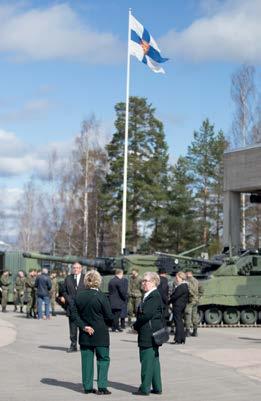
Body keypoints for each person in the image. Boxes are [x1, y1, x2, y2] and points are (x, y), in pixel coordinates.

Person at [71, 270, 114, 395]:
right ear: (98, 281)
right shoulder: (102, 297)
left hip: (85, 333)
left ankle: (88, 387)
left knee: (86, 360)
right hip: (101, 332)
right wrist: (108, 324)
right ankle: (102, 386)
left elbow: (74, 315)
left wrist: (84, 326)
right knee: (103, 359)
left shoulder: (78, 296)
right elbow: (109, 316)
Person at [133, 272, 163, 396]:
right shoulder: (149, 295)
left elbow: (147, 314)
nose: (143, 283)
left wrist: (135, 325)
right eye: (143, 281)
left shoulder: (153, 296)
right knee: (154, 360)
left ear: (154, 282)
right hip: (152, 332)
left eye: (146, 281)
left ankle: (145, 388)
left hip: (148, 333)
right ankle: (157, 387)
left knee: (146, 360)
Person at [62, 262, 85, 352]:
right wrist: (68, 299)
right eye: (74, 268)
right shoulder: (68, 278)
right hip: (71, 306)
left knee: (83, 327)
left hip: (83, 307)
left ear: (81, 268)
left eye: (78, 268)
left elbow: (89, 290)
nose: (76, 269)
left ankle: (83, 345)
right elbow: (63, 291)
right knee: (73, 327)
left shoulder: (85, 278)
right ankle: (73, 345)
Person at [169, 271, 189, 344]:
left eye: (177, 277)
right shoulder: (184, 286)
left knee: (178, 323)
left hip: (178, 306)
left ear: (181, 278)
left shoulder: (181, 286)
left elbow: (175, 296)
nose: (176, 279)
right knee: (179, 322)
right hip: (181, 306)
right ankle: (181, 339)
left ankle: (178, 339)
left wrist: (169, 301)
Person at [185, 270, 203, 337]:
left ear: (188, 273)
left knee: (188, 315)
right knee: (194, 316)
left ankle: (187, 331)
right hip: (196, 301)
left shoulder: (188, 281)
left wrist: (191, 295)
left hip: (190, 300)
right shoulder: (197, 281)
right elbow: (202, 290)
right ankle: (195, 332)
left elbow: (189, 290)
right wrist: (198, 297)